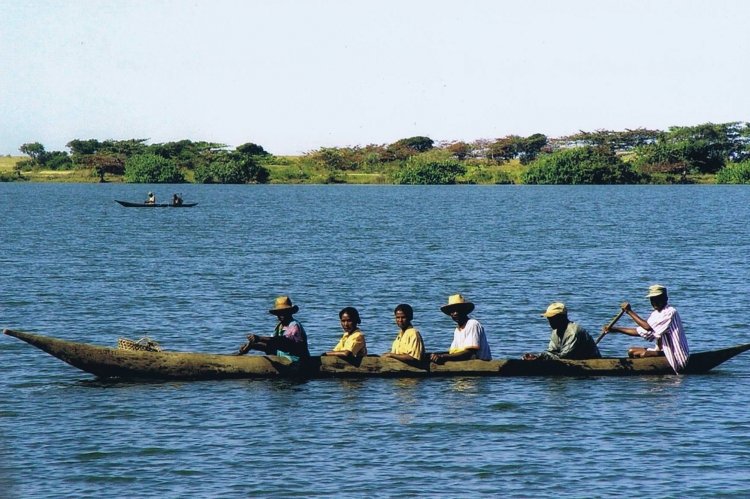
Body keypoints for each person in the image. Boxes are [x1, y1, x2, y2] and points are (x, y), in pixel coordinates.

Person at [603, 284, 689, 373]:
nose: (654, 302)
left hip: (676, 355)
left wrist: (629, 311)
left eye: (657, 299)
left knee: (644, 354)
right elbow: (640, 331)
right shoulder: (656, 314)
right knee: (631, 351)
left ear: (665, 298)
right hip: (661, 351)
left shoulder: (670, 312)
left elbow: (647, 327)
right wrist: (615, 329)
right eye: (652, 299)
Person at [238, 296, 310, 360]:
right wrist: (252, 345)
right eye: (278, 313)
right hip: (284, 356)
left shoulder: (294, 326)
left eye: (283, 312)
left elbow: (284, 342)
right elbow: (272, 344)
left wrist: (259, 338)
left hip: (298, 360)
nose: (280, 315)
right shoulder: (280, 326)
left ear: (289, 312)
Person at [522, 302, 601, 360]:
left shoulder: (573, 332)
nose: (550, 321)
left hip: (590, 363)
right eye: (549, 318)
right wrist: (536, 357)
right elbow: (552, 352)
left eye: (552, 318)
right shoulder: (555, 332)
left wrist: (541, 357)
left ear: (562, 317)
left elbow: (565, 356)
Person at [430, 294, 491, 363]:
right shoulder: (457, 330)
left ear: (464, 310)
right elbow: (453, 353)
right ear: (450, 314)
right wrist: (435, 355)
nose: (455, 313)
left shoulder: (472, 324)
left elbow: (470, 353)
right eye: (452, 310)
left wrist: (443, 357)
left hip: (481, 366)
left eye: (458, 309)